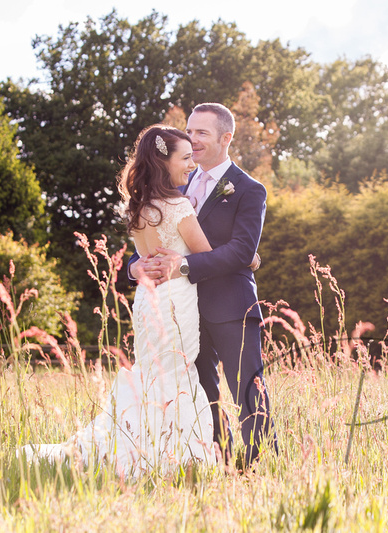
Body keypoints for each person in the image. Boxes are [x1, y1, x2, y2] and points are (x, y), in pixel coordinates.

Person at [19, 125, 216, 476]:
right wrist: (248, 257)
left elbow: (142, 258)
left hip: (148, 300)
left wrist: (140, 267)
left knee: (152, 374)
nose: (192, 165)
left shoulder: (139, 207)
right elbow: (206, 256)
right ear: (164, 161)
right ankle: (171, 456)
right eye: (186, 158)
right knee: (175, 374)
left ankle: (146, 446)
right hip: (175, 300)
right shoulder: (178, 206)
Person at [129, 103, 277, 467]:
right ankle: (220, 462)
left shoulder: (249, 189)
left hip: (230, 306)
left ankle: (261, 466)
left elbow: (242, 250)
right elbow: (152, 243)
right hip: (182, 311)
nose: (192, 139)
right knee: (202, 392)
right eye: (189, 131)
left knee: (247, 389)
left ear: (226, 138)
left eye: (202, 133)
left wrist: (183, 266)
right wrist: (135, 268)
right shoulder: (175, 181)